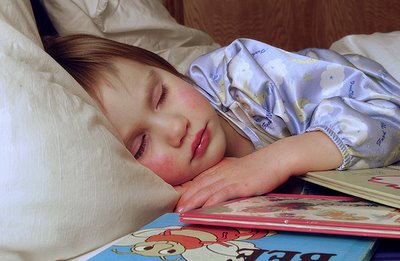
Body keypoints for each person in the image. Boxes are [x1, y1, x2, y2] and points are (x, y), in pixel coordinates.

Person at [44, 34, 400, 213]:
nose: (174, 128)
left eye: (161, 96)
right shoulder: (168, 189)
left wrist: (276, 159)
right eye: (140, 146)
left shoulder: (244, 74)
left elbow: (387, 111)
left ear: (170, 71)